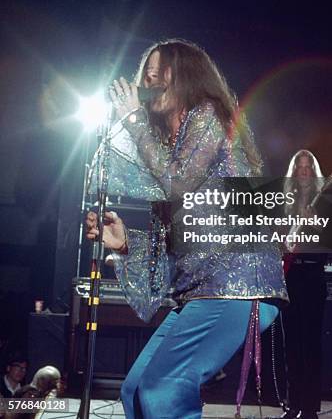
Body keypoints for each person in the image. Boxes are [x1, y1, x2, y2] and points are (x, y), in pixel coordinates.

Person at [86, 39, 287, 419]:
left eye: (161, 74)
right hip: (201, 294)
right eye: (146, 76)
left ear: (187, 78)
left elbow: (178, 183)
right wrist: (126, 242)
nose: (151, 82)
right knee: (136, 391)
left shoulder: (208, 117)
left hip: (236, 289)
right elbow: (174, 250)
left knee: (164, 389)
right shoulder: (170, 149)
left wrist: (131, 120)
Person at [280, 150, 327, 419]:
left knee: (311, 344)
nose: (305, 172)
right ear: (295, 172)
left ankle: (310, 408)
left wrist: (316, 224)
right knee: (292, 345)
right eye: (300, 167)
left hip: (313, 276)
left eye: (309, 167)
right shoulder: (286, 201)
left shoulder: (326, 201)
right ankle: (293, 404)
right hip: (291, 276)